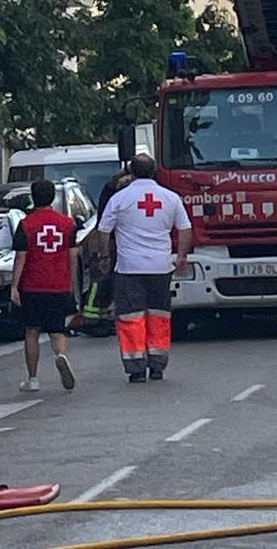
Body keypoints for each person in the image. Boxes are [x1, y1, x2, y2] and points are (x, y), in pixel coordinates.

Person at [98, 154, 192, 383]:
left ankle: (136, 367)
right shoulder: (170, 198)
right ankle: (157, 365)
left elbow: (103, 230)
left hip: (129, 267)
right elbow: (185, 229)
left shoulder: (120, 198)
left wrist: (104, 256)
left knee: (131, 317)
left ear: (131, 172)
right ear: (153, 172)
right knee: (159, 315)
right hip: (161, 266)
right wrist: (180, 257)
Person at [11, 179, 77, 393]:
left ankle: (33, 378)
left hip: (32, 285)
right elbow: (73, 255)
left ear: (33, 197)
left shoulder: (26, 224)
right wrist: (71, 283)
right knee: (57, 330)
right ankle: (61, 355)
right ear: (53, 197)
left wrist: (14, 286)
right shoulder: (67, 224)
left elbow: (21, 257)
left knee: (31, 331)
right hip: (59, 285)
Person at [79, 168, 131, 330]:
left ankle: (99, 315)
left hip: (113, 243)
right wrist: (104, 254)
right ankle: (93, 316)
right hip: (110, 243)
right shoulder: (114, 197)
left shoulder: (110, 193)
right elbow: (104, 226)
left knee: (107, 282)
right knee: (101, 281)